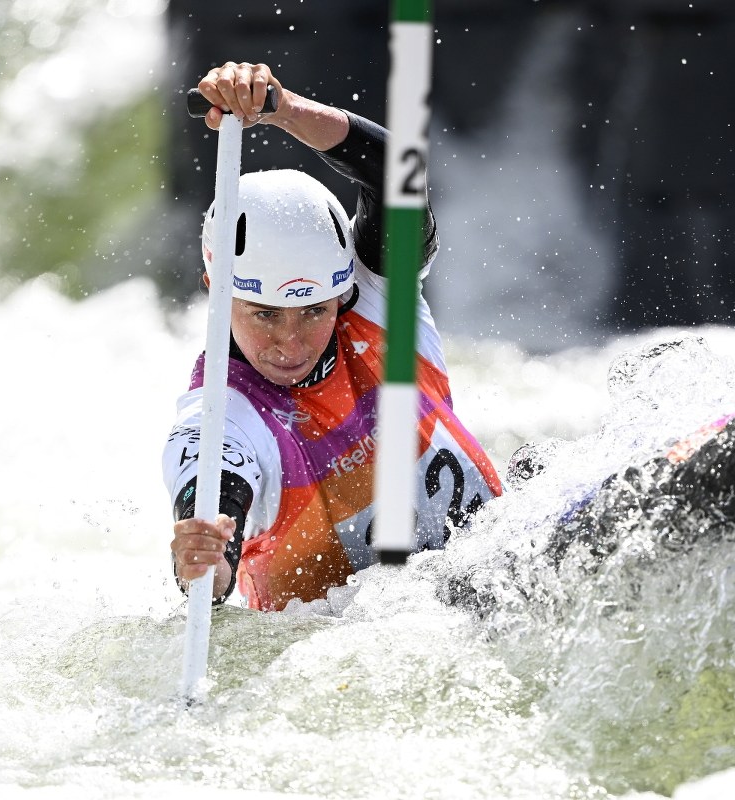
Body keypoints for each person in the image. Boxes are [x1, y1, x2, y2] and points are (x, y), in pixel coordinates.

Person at [163, 62, 503, 612]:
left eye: (313, 311)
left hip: (500, 571)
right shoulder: (222, 415)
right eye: (266, 315)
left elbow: (400, 173)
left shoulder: (374, 298)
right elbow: (213, 495)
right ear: (215, 288)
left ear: (342, 290)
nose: (291, 344)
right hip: (361, 647)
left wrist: (285, 109)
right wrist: (205, 560)